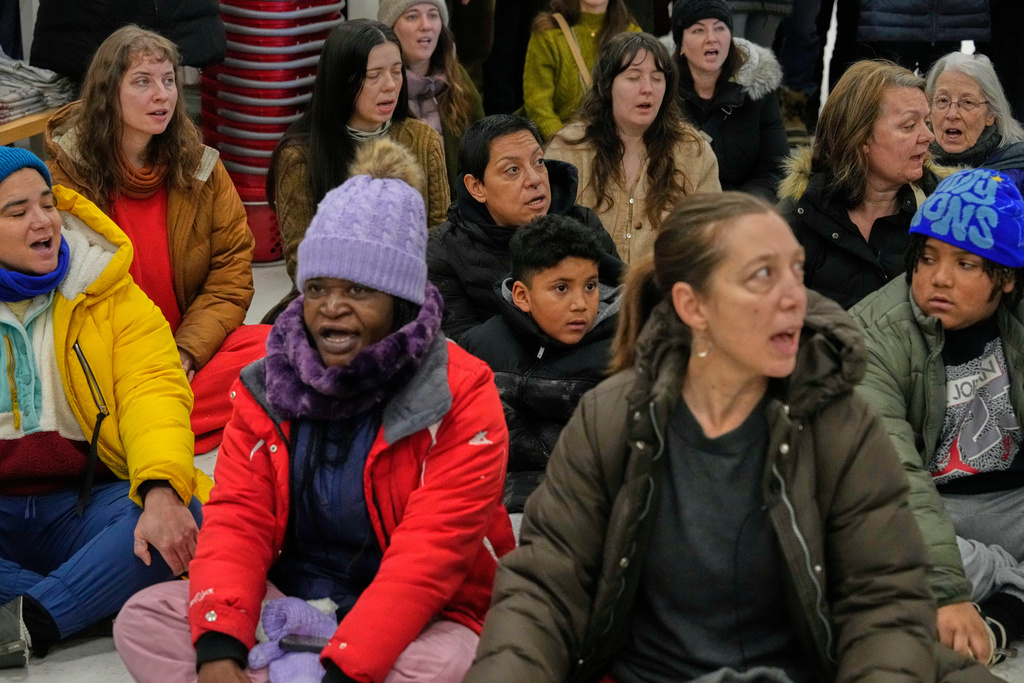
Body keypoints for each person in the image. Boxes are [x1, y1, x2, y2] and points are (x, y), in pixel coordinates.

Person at [463, 191, 996, 682]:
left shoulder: (839, 421)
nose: (794, 298)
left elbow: (884, 602)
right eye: (762, 277)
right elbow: (544, 588)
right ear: (694, 307)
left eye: (795, 272)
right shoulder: (612, 417)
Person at [113, 138, 515, 683]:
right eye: (318, 287)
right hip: (295, 600)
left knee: (445, 664)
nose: (332, 307)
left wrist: (345, 669)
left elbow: (428, 560)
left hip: (418, 616)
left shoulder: (460, 393)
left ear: (399, 302)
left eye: (358, 289)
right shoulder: (269, 384)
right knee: (144, 619)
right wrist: (218, 650)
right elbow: (238, 521)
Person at [0, 147, 206, 668]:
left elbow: (152, 389)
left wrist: (161, 488)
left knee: (179, 514)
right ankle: (85, 600)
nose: (43, 220)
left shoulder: (105, 291)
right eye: (17, 212)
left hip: (84, 502)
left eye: (47, 204)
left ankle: (31, 620)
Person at [45, 25, 268, 453]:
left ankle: (143, 429)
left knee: (280, 351)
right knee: (82, 397)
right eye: (143, 82)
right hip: (114, 362)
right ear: (109, 93)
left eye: (168, 81)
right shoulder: (64, 180)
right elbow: (66, 297)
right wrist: (142, 366)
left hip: (187, 354)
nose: (162, 95)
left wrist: (184, 354)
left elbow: (231, 273)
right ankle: (155, 422)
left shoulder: (201, 168)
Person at [851, 168, 1024, 668]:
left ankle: (1003, 611)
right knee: (868, 538)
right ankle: (1006, 592)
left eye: (966, 264)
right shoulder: (874, 336)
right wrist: (948, 590)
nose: (938, 278)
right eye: (926, 259)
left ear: (1007, 278)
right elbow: (893, 479)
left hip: (1010, 505)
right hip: (929, 510)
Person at [267, 18, 451, 303]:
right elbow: (300, 262)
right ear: (342, 80)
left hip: (410, 294)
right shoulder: (301, 156)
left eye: (396, 71)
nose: (390, 85)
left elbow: (440, 238)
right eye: (374, 75)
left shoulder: (423, 139)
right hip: (331, 303)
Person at [461, 214, 623, 513]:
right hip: (494, 504)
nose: (581, 304)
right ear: (522, 295)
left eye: (590, 286)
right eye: (561, 288)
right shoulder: (479, 347)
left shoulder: (621, 352)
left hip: (586, 505)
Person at [427, 114, 618, 343]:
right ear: (477, 187)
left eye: (538, 162)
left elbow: (621, 310)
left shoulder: (582, 224)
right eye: (512, 170)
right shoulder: (443, 252)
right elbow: (464, 349)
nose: (534, 179)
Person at [778, 59, 943, 309]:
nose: (928, 136)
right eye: (909, 125)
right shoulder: (797, 219)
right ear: (861, 137)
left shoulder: (943, 209)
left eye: (927, 122)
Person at [546, 32, 720, 264]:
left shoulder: (694, 151)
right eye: (633, 77)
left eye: (657, 78)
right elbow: (546, 238)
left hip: (664, 290)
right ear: (607, 86)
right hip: (586, 290)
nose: (647, 88)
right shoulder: (566, 149)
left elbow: (711, 238)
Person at [673, 0, 789, 202]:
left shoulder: (757, 89)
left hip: (742, 212)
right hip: (681, 214)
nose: (712, 39)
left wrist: (737, 208)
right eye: (699, 30)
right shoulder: (661, 92)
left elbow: (775, 170)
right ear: (681, 44)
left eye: (719, 28)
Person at [378, 0, 486, 192]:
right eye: (412, 16)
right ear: (390, 28)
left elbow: (484, 149)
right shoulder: (375, 89)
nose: (426, 25)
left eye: (433, 15)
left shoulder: (457, 79)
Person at [523, 0, 641, 140]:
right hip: (560, 144)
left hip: (614, 142)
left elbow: (638, 98)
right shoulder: (549, 32)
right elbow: (538, 104)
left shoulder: (632, 34)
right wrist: (564, 143)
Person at [926, 52, 1024, 195]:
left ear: (991, 114)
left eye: (967, 102)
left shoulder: (1017, 170)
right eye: (942, 101)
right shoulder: (912, 166)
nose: (952, 114)